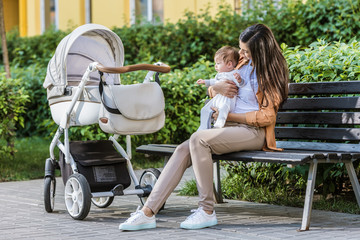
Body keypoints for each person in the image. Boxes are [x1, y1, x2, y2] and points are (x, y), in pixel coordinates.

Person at [119, 23, 289, 231]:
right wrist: (214, 88)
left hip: (254, 132)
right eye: (241, 49)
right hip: (227, 127)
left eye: (245, 50)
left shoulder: (271, 72)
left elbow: (267, 116)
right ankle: (147, 212)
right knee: (183, 148)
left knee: (198, 140)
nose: (241, 54)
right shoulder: (243, 63)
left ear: (261, 51)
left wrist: (229, 116)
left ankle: (206, 210)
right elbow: (221, 84)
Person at [196, 45, 258, 130]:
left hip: (228, 100)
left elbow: (241, 85)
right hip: (219, 98)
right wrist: (205, 82)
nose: (215, 66)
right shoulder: (222, 73)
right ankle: (203, 127)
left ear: (229, 64)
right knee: (205, 110)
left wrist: (239, 80)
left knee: (224, 108)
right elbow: (214, 82)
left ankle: (218, 126)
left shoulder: (234, 73)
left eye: (218, 63)